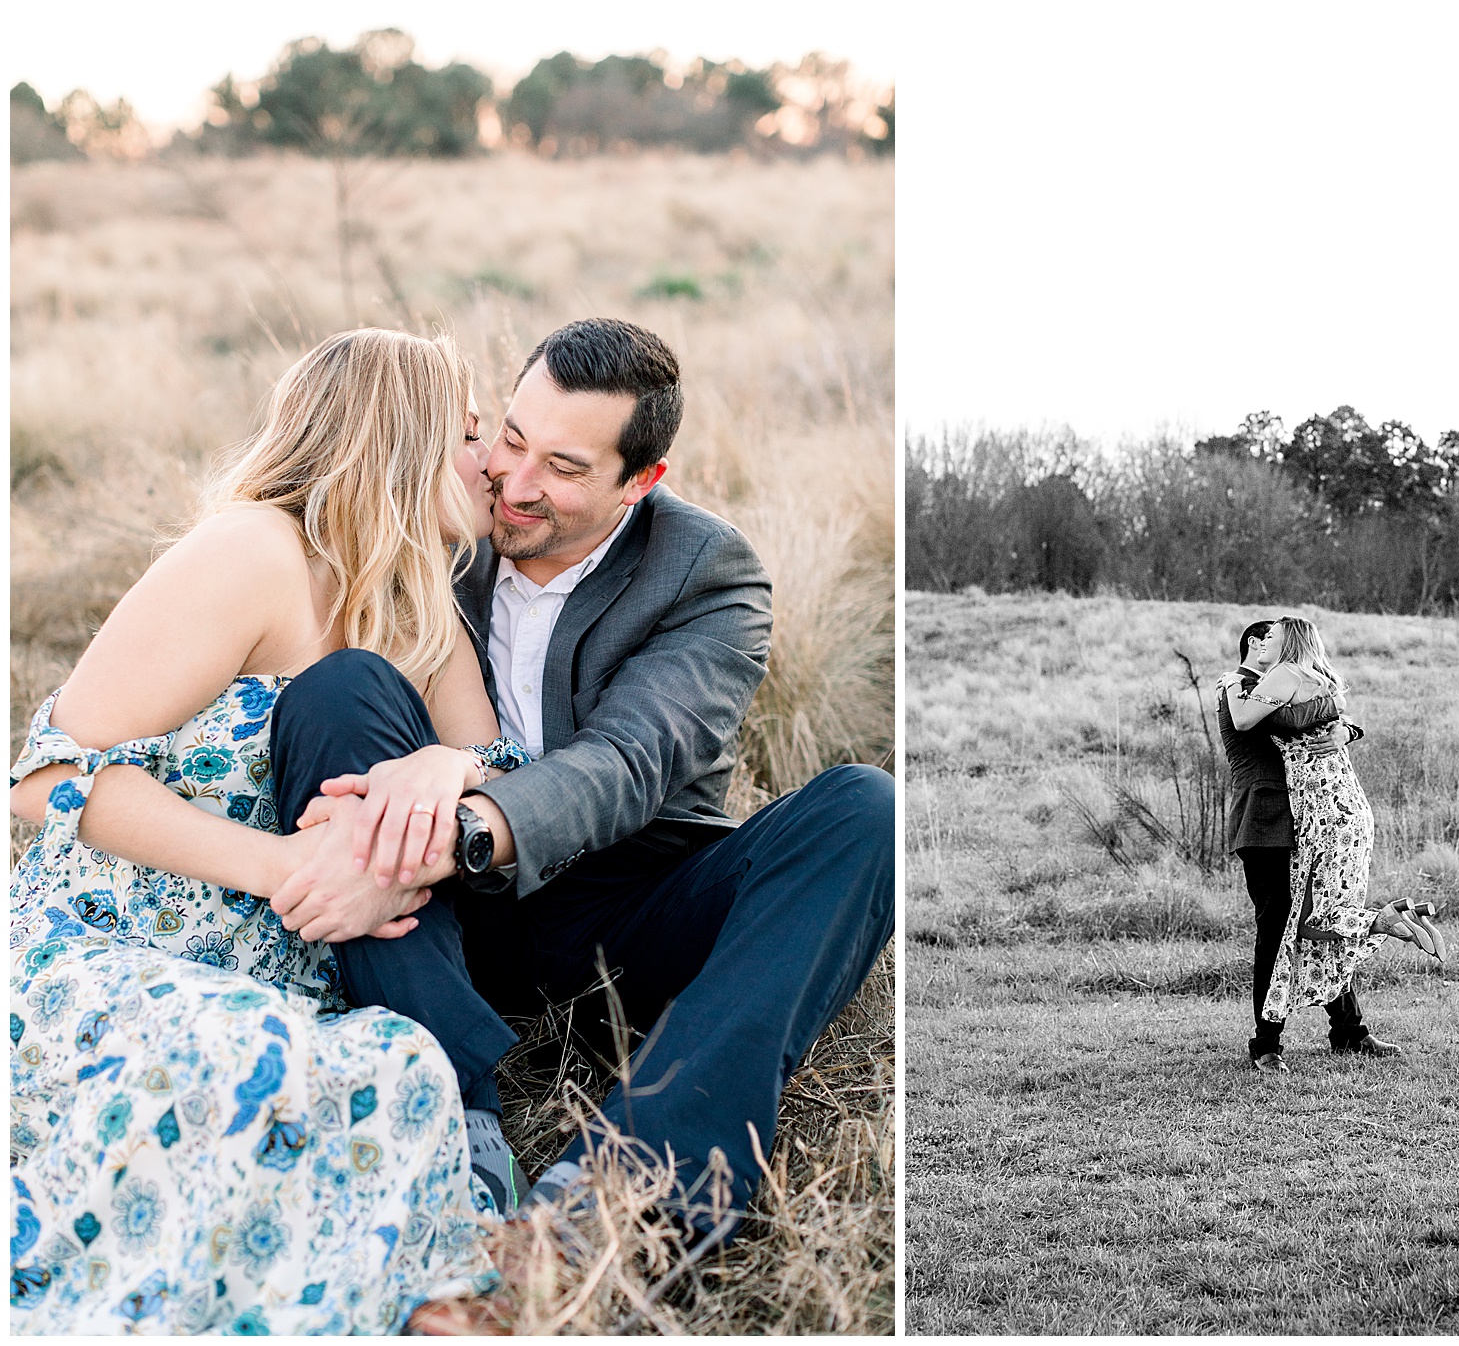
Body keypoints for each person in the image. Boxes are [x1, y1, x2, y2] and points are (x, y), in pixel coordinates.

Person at [265, 317, 895, 1247]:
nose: (515, 486)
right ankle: (450, 1122)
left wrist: (460, 827)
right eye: (510, 440)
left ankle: (622, 1200)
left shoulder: (707, 573)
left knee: (865, 809)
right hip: (432, 919)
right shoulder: (444, 519)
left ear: (641, 482)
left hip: (625, 918)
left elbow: (629, 763)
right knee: (339, 691)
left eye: (563, 468)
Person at [9, 329, 510, 1333]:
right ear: (400, 434)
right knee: (250, 1063)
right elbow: (45, 775)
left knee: (388, 1069)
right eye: (468, 432)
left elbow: (502, 769)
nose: (491, 459)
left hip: (281, 958)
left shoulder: (417, 597)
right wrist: (281, 862)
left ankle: (395, 1277)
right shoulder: (251, 550)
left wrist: (446, 766)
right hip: (123, 934)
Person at [1217, 617, 1441, 1074]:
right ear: (1257, 643)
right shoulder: (1235, 686)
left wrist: (1348, 729)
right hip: (1265, 824)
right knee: (1277, 929)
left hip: (1310, 819)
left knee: (1321, 920)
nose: (1275, 644)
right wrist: (1336, 718)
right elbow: (1275, 720)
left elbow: (1321, 712)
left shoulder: (1294, 680)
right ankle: (1266, 1044)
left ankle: (1348, 1032)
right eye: (1269, 636)